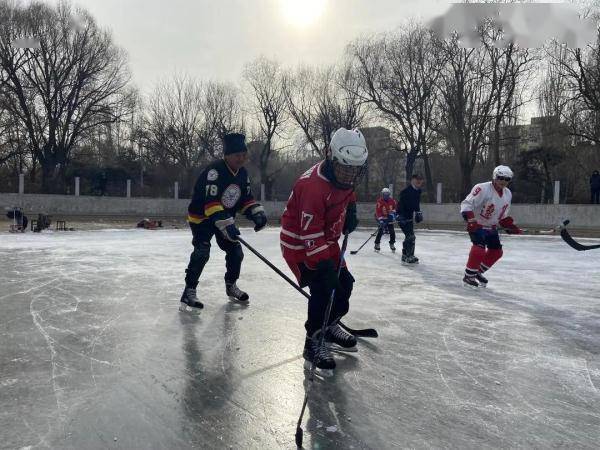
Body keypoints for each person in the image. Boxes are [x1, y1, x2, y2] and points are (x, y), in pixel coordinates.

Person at [280, 127, 368, 375]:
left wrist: (350, 210)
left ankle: (329, 326)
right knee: (323, 288)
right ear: (331, 157)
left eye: (355, 170)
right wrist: (324, 266)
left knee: (345, 285)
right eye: (345, 168)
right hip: (299, 244)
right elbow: (309, 234)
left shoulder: (345, 176)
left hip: (326, 241)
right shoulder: (312, 187)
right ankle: (313, 342)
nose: (350, 175)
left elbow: (347, 192)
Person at [180, 133, 268, 312]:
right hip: (202, 218)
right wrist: (226, 224)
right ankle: (189, 291)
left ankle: (231, 285)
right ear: (227, 155)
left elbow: (245, 199)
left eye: (244, 155)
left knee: (236, 252)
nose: (241, 158)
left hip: (224, 217)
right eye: (237, 155)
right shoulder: (214, 171)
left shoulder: (242, 173)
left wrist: (255, 213)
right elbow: (210, 202)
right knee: (202, 252)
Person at [460, 165, 522, 288]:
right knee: (479, 249)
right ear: (494, 177)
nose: (503, 181)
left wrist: (509, 226)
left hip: (491, 226)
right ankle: (469, 276)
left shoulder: (507, 193)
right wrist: (471, 220)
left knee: (496, 252)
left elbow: (503, 214)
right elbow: (466, 204)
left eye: (507, 179)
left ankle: (477, 272)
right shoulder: (482, 188)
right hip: (477, 225)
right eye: (500, 178)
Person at [396, 174, 424, 263]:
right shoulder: (406, 191)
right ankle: (408, 255)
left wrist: (418, 212)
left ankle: (406, 255)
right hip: (402, 217)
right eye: (417, 179)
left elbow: (416, 204)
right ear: (412, 180)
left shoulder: (418, 191)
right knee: (410, 236)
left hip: (409, 218)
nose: (419, 181)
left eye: (420, 179)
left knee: (409, 236)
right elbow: (400, 205)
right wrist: (400, 216)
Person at [374, 187, 397, 252]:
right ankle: (377, 243)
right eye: (385, 194)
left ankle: (392, 243)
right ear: (382, 194)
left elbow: (395, 209)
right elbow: (378, 211)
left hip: (389, 219)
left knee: (392, 232)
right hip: (383, 220)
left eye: (387, 194)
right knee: (380, 231)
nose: (386, 196)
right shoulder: (379, 201)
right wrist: (380, 220)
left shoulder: (392, 201)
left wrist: (393, 214)